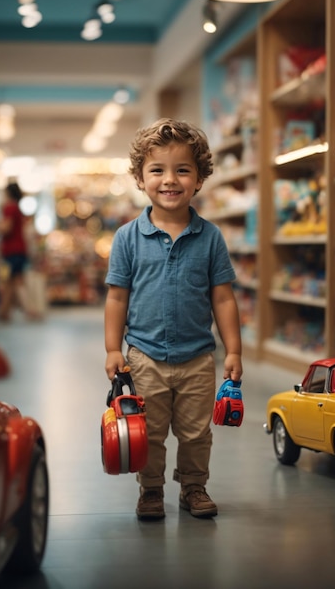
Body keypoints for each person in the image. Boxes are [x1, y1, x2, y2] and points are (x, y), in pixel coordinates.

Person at [104, 118, 243, 520]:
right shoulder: (127, 238)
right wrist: (113, 347)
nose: (170, 180)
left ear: (199, 178)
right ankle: (150, 491)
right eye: (157, 170)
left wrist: (233, 348)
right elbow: (117, 297)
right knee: (148, 432)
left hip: (198, 357)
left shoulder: (211, 237)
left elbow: (223, 297)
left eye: (183, 169)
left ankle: (194, 486)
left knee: (197, 433)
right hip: (144, 356)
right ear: (139, 178)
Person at [0, 181, 35, 321]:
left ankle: (6, 312)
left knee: (9, 281)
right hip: (19, 250)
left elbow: (6, 228)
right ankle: (26, 310)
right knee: (16, 281)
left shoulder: (9, 207)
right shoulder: (17, 208)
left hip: (11, 251)